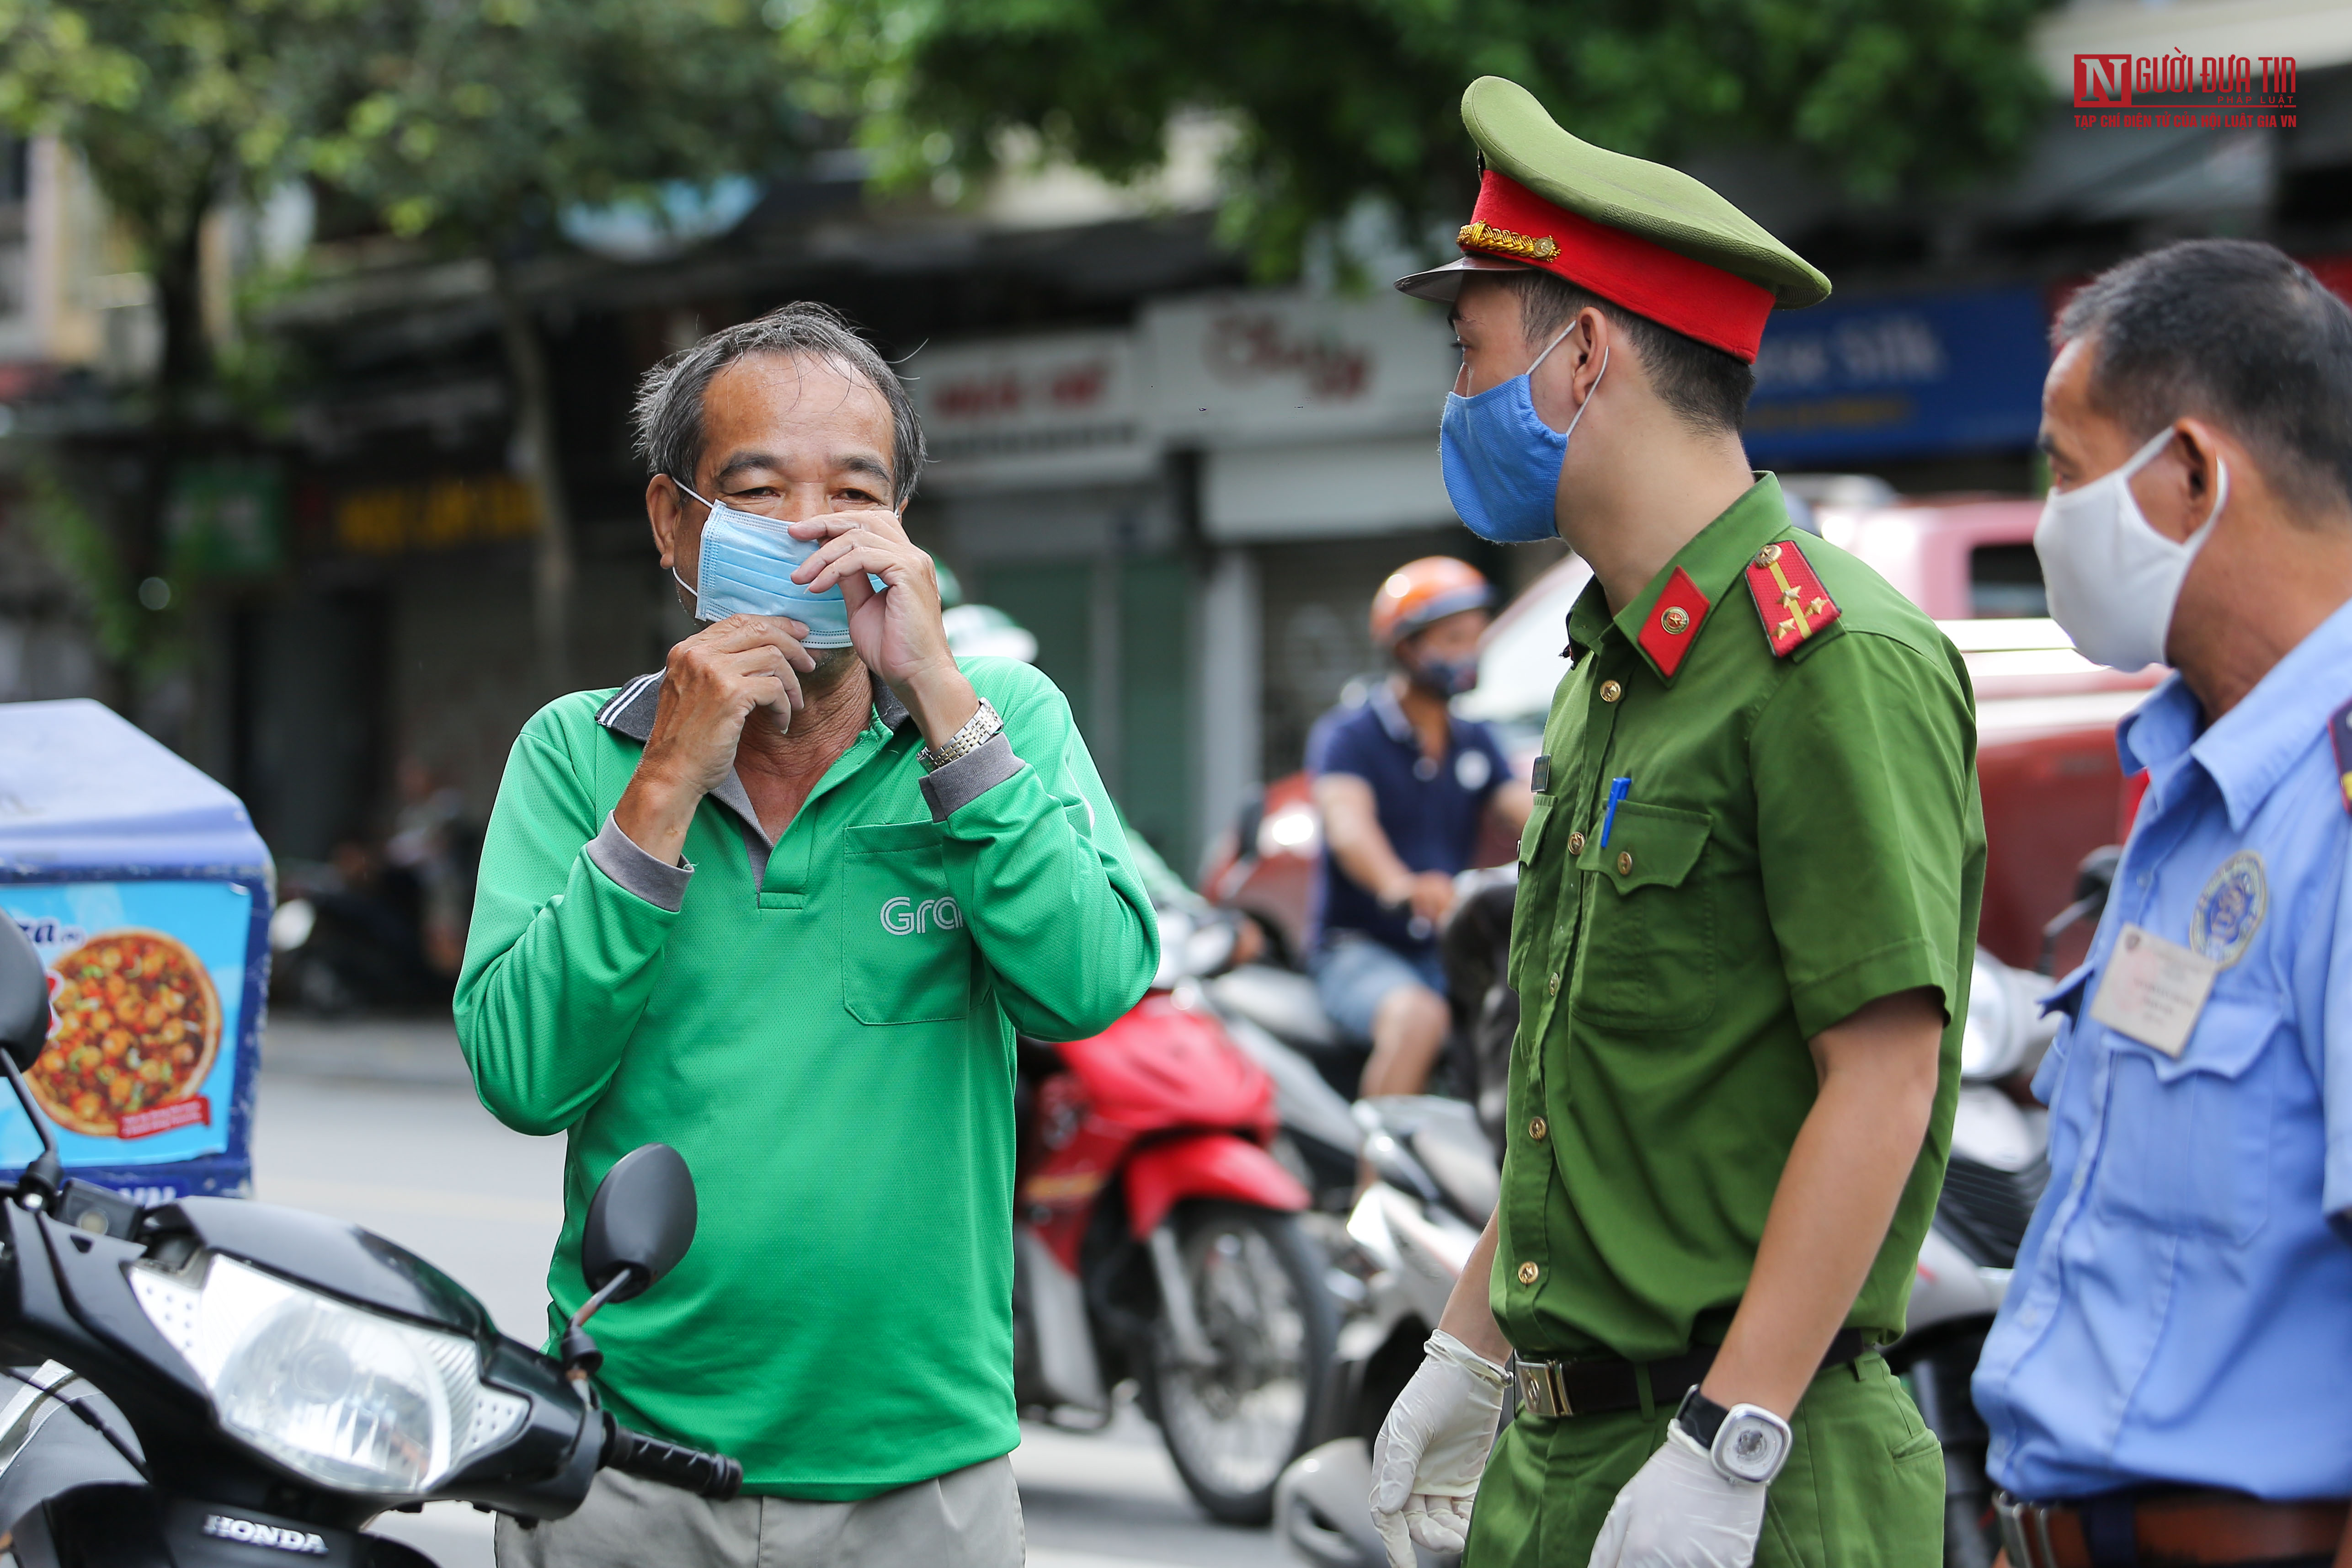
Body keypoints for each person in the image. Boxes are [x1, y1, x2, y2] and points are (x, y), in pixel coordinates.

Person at [1365, 77, 1984, 1568]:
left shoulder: (1825, 659)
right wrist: (1467, 1348)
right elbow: (1584, 1104)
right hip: (1562, 1457)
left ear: (1580, 357)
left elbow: (1886, 1081)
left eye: (1473, 357)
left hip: (1752, 1475)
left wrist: (1733, 1435)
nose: (1456, 402)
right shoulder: (1606, 668)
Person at [456, 302, 1157, 1568]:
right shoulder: (579, 752)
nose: (808, 530)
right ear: (678, 524)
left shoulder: (1001, 723)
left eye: (854, 492)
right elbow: (522, 1072)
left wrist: (942, 695)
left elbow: (1090, 986)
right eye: (759, 489)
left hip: (922, 1481)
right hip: (627, 1472)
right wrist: (666, 777)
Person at [1970, 242, 2352, 1567]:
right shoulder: (2195, 784)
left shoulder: (2334, 809)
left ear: (2190, 475)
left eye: (2069, 474)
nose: (2050, 521)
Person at [1309, 556, 1531, 1098]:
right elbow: (1348, 826)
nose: (1469, 653)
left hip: (1443, 949)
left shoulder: (1475, 739)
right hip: (1358, 948)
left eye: (1475, 637)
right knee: (1419, 1020)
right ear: (1406, 647)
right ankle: (1374, 1182)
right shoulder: (1350, 735)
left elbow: (1524, 808)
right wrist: (1400, 886)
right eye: (1453, 638)